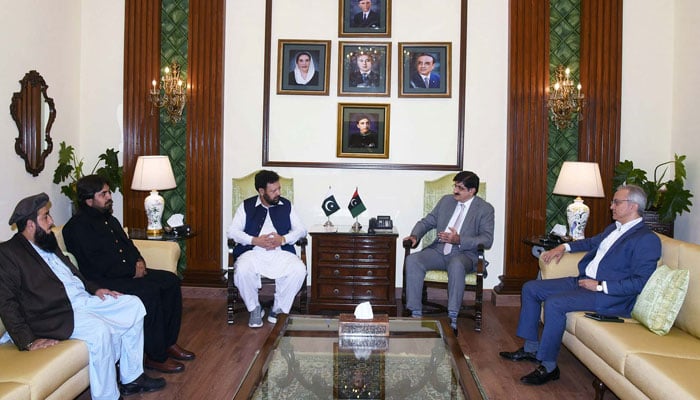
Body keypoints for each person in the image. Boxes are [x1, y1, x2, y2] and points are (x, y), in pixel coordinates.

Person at [0, 193, 165, 400]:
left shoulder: (47, 242)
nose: (52, 221)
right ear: (30, 224)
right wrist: (28, 341)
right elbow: (7, 302)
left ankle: (132, 378)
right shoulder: (8, 253)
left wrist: (95, 289)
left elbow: (73, 274)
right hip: (54, 313)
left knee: (133, 304)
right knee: (99, 331)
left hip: (82, 301)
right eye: (45, 216)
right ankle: (108, 396)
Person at [499, 184, 661, 386]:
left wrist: (600, 285)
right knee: (531, 288)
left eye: (616, 202)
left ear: (633, 206)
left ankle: (549, 366)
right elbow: (590, 243)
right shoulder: (614, 228)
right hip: (583, 282)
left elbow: (640, 282)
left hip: (609, 296)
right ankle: (531, 348)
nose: (611, 206)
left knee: (555, 303)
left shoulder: (646, 239)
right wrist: (563, 246)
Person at [63, 175, 195, 374]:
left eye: (108, 192)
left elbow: (128, 245)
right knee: (149, 292)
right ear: (88, 200)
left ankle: (169, 342)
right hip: (105, 281)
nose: (109, 197)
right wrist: (131, 271)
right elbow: (94, 264)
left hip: (128, 273)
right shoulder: (76, 227)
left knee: (170, 281)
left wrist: (139, 262)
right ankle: (155, 356)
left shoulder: (110, 220)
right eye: (103, 194)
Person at [403, 171, 494, 330]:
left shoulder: (485, 209)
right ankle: (415, 313)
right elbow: (427, 222)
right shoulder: (446, 201)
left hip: (464, 254)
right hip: (439, 251)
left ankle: (452, 318)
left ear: (472, 191)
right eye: (455, 186)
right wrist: (414, 236)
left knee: (456, 264)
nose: (455, 191)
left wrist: (459, 240)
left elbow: (487, 239)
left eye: (460, 188)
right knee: (413, 260)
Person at [227, 170, 307, 328]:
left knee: (299, 270)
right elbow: (232, 232)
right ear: (261, 191)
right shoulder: (246, 206)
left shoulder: (286, 205)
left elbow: (301, 230)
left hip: (280, 253)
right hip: (253, 253)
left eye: (279, 189)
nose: (278, 193)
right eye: (273, 190)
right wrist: (254, 240)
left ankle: (278, 308)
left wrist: (283, 239)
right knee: (242, 270)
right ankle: (254, 308)